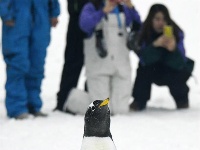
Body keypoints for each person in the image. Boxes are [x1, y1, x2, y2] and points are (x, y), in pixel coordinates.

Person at [127, 4, 194, 111]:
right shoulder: (144, 32)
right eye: (157, 19)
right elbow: (143, 59)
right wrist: (155, 45)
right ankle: (139, 101)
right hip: (152, 70)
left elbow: (181, 63)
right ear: (151, 20)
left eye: (164, 19)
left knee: (178, 73)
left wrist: (173, 49)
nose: (161, 23)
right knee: (143, 70)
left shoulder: (176, 32)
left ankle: (182, 101)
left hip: (170, 71)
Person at [79, 0, 141, 114]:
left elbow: (138, 25)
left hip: (121, 65)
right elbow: (84, 25)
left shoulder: (123, 9)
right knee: (100, 111)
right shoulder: (92, 6)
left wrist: (131, 7)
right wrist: (103, 12)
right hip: (98, 65)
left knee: (121, 110)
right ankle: (72, 100)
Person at [0, 0, 60, 119]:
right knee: (18, 63)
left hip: (41, 15)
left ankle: (33, 104)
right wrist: (6, 12)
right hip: (18, 17)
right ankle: (17, 108)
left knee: (36, 64)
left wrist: (54, 12)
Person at [54, 0, 88, 113]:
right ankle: (63, 101)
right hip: (77, 16)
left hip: (98, 15)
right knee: (72, 61)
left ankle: (92, 99)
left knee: (96, 64)